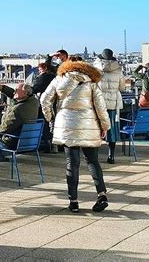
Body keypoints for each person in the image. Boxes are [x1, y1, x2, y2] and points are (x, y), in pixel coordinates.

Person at [41, 56, 111, 213]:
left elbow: (44, 100)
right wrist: (105, 125)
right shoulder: (91, 81)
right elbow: (100, 106)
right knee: (93, 161)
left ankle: (73, 201)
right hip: (89, 124)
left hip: (67, 125)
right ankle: (101, 194)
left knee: (72, 163)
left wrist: (51, 118)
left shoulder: (59, 79)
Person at [0, 82, 39, 179]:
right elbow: (14, 94)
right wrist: (2, 88)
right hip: (28, 140)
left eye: (17, 90)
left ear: (25, 93)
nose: (14, 91)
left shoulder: (18, 109)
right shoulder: (33, 102)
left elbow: (5, 128)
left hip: (13, 141)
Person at [94, 48, 126, 164]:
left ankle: (94, 157)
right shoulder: (118, 70)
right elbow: (122, 87)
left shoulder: (96, 70)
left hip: (99, 103)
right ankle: (111, 156)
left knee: (96, 128)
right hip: (112, 103)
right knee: (111, 129)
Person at [31, 63, 57, 153]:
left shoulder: (44, 78)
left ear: (45, 68)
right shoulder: (54, 77)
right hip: (54, 102)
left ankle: (48, 145)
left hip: (45, 103)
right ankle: (54, 146)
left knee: (44, 123)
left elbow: (35, 88)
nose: (39, 71)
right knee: (52, 124)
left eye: (40, 69)